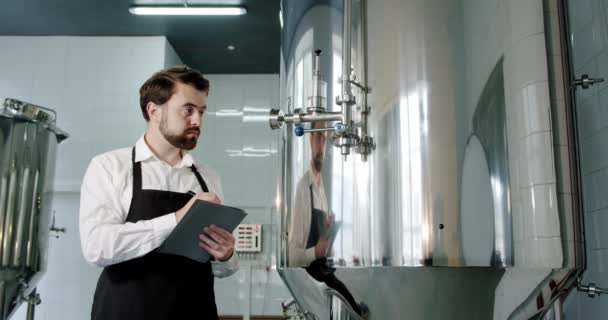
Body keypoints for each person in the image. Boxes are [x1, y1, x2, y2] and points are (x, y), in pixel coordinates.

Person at [79, 65, 237, 320]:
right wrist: (176, 220)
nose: (197, 120)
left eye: (201, 112)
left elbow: (222, 269)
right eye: (188, 110)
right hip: (126, 312)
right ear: (154, 111)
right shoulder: (110, 166)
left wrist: (227, 255)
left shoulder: (207, 177)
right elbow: (97, 247)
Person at [288, 121, 367, 318]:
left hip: (322, 269)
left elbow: (316, 235)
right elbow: (292, 256)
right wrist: (317, 250)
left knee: (355, 303)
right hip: (311, 278)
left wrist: (327, 228)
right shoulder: (303, 189)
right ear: (309, 140)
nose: (321, 144)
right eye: (317, 138)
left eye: (325, 139)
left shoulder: (321, 187)